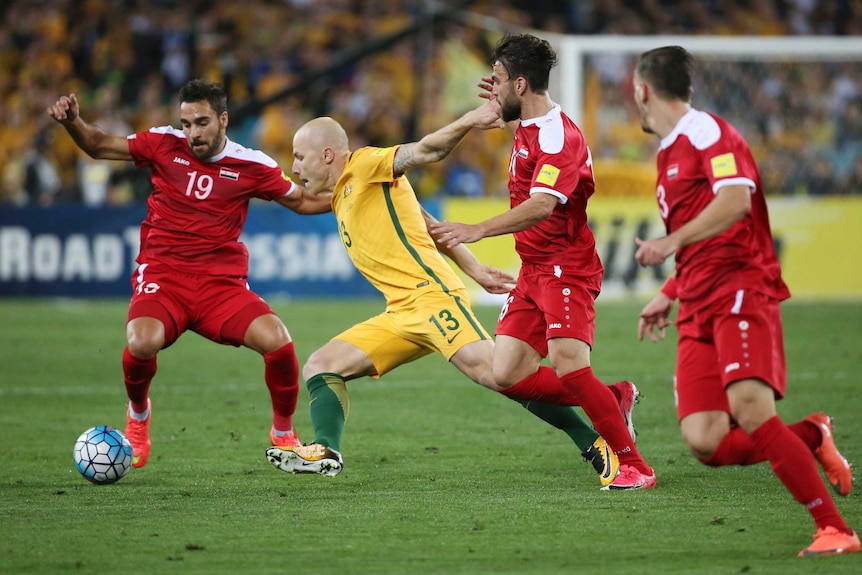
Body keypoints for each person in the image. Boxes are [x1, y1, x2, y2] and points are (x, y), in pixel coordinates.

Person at [265, 100, 636, 487]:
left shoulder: (367, 164)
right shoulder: (344, 191)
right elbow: (427, 222)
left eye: (299, 157)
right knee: (322, 365)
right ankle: (326, 450)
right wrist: (475, 269)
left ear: (328, 155)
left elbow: (426, 149)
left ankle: (602, 419)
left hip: (432, 298)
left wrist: (471, 120)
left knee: (500, 375)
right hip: (399, 313)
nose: (295, 167)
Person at [631, 46, 858, 556]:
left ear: (643, 90)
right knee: (706, 440)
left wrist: (667, 244)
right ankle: (813, 434)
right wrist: (669, 291)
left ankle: (835, 529)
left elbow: (736, 201)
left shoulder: (706, 132)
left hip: (738, 287)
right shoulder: (669, 152)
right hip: (695, 300)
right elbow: (702, 236)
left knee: (750, 410)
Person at [47, 79, 332, 468]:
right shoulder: (163, 143)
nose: (192, 133)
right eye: (186, 123)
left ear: (223, 120)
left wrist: (357, 196)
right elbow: (98, 145)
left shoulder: (253, 164)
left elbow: (303, 202)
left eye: (201, 122)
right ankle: (138, 415)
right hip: (164, 276)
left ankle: (283, 434)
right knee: (141, 342)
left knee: (279, 343)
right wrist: (73, 123)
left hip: (220, 286)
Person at [429, 33, 655, 490]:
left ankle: (635, 466)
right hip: (534, 269)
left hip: (565, 266)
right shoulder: (529, 124)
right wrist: (494, 114)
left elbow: (542, 206)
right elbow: (520, 127)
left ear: (521, 85)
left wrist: (476, 230)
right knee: (507, 373)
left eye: (497, 80)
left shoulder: (557, 136)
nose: (491, 87)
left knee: (570, 365)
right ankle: (613, 397)